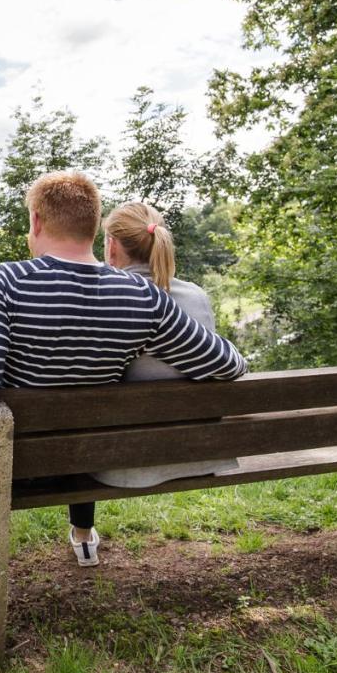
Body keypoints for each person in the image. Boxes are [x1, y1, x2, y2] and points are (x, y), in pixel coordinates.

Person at [0, 173, 246, 568]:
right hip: (88, 463)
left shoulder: (5, 281)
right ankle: (81, 532)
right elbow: (228, 365)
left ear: (36, 221)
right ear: (95, 228)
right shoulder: (143, 295)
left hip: (13, 469)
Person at [90, 201, 242, 487]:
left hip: (127, 464)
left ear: (111, 247)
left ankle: (82, 529)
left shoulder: (106, 300)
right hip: (198, 454)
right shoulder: (196, 295)